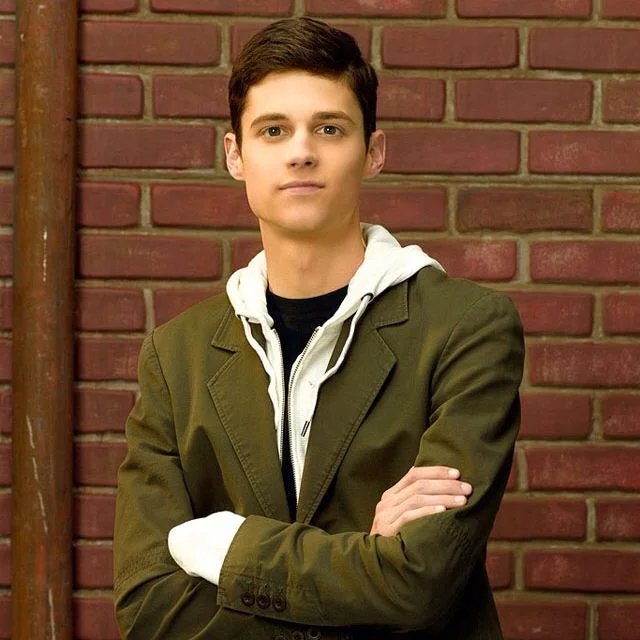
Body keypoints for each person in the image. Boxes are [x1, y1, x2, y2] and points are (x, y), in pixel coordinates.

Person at [113, 16, 524, 640]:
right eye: (273, 130)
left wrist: (226, 547)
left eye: (329, 128)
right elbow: (148, 606)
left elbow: (420, 581)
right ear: (235, 155)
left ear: (374, 152)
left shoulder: (466, 329)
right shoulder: (176, 356)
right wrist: (366, 566)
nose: (301, 151)